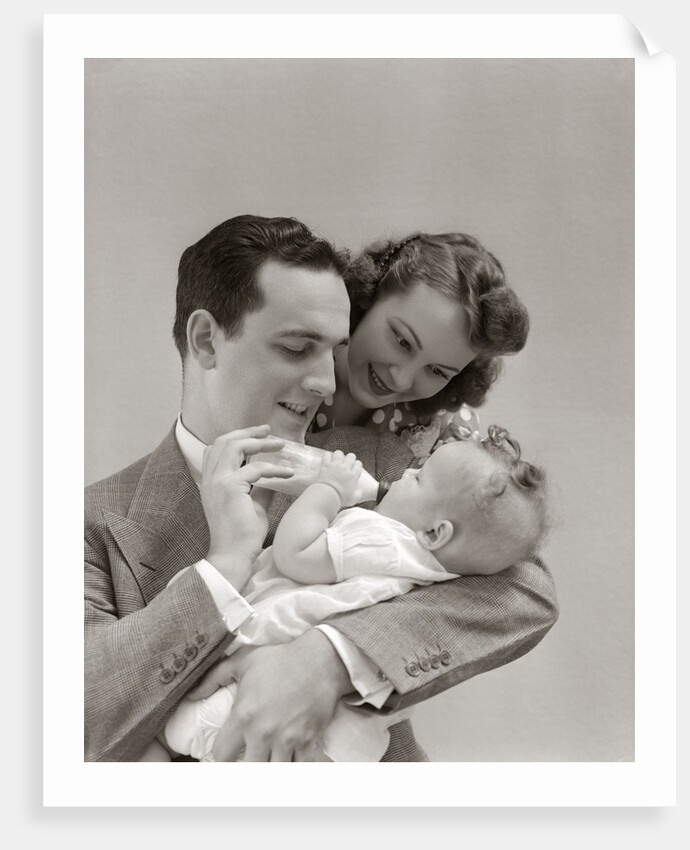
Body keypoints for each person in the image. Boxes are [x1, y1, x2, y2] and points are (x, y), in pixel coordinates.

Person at [84, 214, 558, 762]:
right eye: (295, 347)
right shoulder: (89, 522)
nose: (329, 382)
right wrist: (224, 565)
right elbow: (71, 714)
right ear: (206, 340)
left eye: (332, 349)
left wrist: (328, 657)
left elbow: (524, 588)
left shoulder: (383, 462)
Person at [154, 425, 548, 762]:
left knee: (177, 730)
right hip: (337, 721)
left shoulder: (383, 539)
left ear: (435, 533)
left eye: (419, 477)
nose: (407, 470)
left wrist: (328, 489)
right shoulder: (433, 568)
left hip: (259, 649)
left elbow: (296, 554)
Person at [312, 231, 529, 461]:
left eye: (437, 371)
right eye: (402, 341)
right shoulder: (286, 362)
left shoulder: (444, 436)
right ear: (368, 293)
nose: (401, 379)